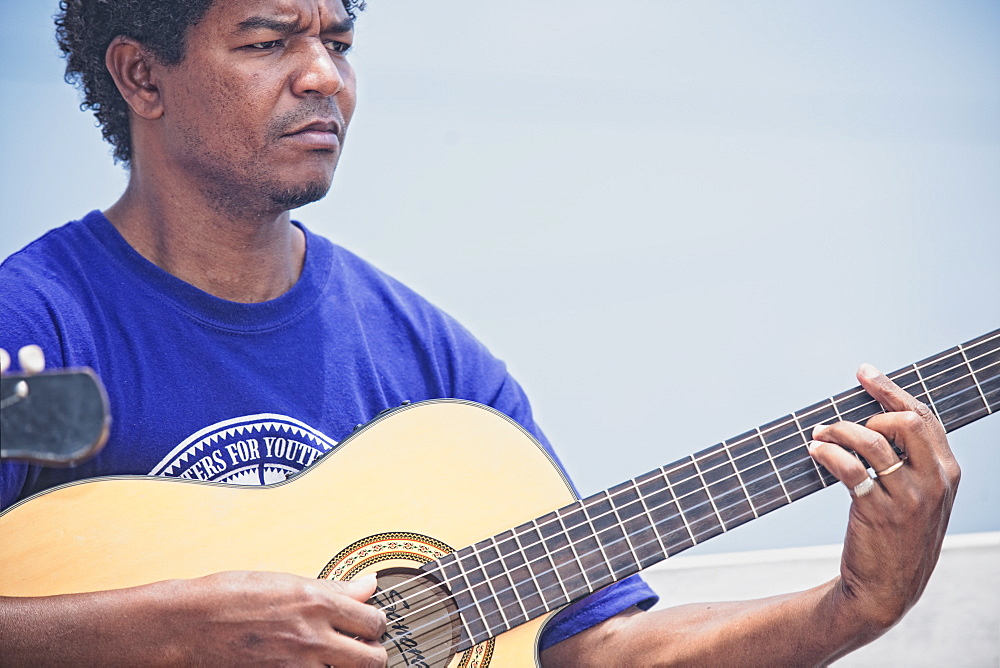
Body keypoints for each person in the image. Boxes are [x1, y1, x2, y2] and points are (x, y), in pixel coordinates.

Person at [0, 0, 960, 665]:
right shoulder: (34, 324)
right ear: (140, 75)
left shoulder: (439, 372)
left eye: (339, 40)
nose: (322, 77)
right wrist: (174, 634)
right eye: (268, 42)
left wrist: (856, 608)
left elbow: (596, 648)